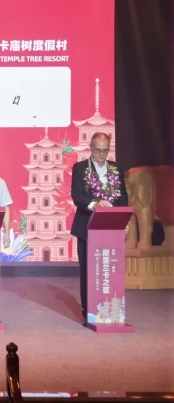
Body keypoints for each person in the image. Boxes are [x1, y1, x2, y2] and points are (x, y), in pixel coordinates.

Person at [70, 132, 128, 325]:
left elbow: (123, 197)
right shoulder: (80, 168)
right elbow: (77, 196)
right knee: (89, 270)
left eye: (105, 150)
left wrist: (123, 220)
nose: (101, 154)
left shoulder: (116, 168)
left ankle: (111, 308)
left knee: (111, 269)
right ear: (91, 148)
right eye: (98, 150)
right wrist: (95, 204)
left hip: (111, 228)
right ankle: (89, 311)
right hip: (87, 226)